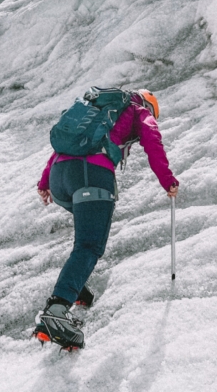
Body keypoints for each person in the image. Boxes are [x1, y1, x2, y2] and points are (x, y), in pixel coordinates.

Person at [34, 88, 178, 349]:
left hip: (60, 177)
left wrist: (45, 182)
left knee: (87, 235)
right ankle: (57, 309)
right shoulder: (138, 109)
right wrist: (168, 181)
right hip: (91, 173)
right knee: (90, 244)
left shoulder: (96, 111)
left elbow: (66, 147)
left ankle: (77, 287)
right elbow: (152, 141)